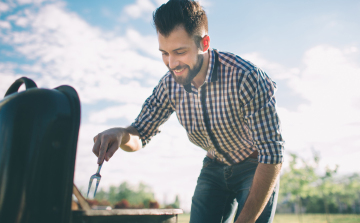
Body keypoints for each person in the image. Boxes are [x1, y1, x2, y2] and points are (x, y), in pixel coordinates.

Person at [92, 0, 284, 222]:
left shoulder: (246, 77)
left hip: (256, 166)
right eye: (164, 53)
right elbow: (141, 133)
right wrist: (121, 134)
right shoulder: (169, 85)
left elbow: (272, 153)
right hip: (214, 166)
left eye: (179, 52)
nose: (172, 63)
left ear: (204, 43)